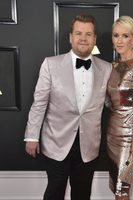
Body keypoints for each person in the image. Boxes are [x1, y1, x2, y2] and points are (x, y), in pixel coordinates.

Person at [24, 14, 112, 200]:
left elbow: (111, 102)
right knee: (55, 191)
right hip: (56, 141)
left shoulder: (107, 68)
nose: (83, 38)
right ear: (70, 37)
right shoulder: (50, 64)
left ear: (94, 39)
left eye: (88, 34)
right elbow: (39, 103)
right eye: (79, 33)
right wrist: (32, 136)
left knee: (82, 193)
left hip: (88, 145)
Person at [106, 16, 133, 200]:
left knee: (122, 189)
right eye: (116, 35)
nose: (119, 40)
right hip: (112, 134)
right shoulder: (113, 66)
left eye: (125, 36)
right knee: (115, 187)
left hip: (130, 138)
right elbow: (112, 101)